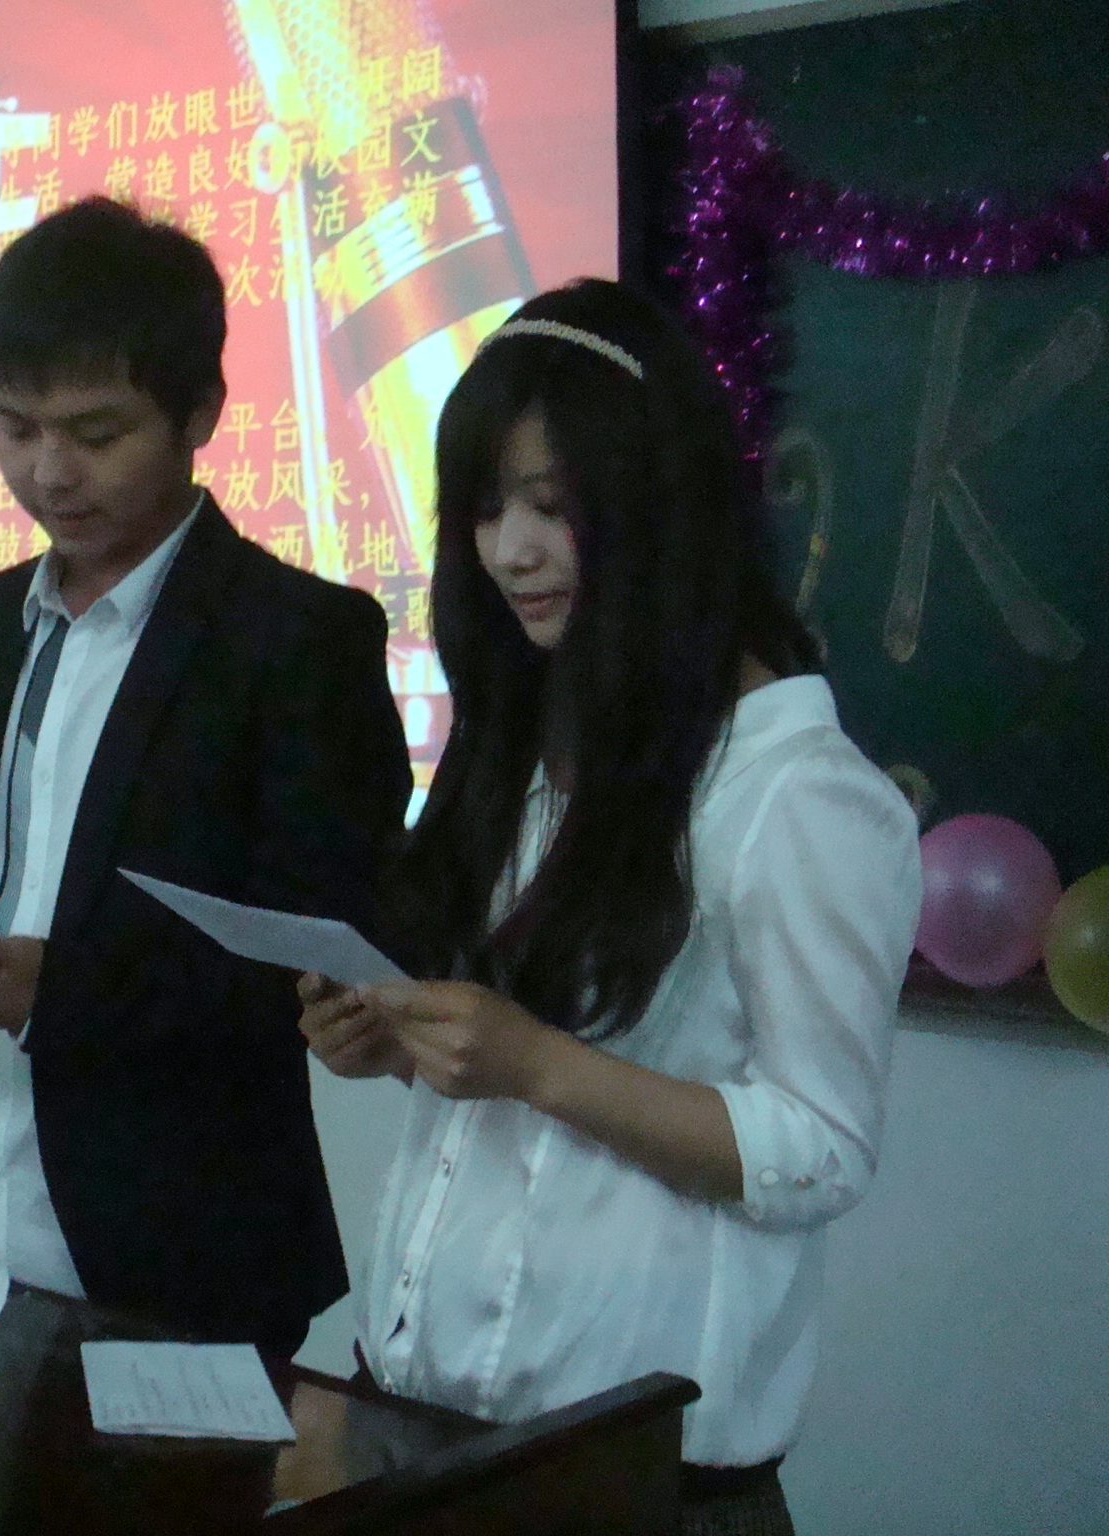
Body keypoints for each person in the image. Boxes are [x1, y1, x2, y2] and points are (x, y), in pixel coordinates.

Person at [299, 280, 921, 1533]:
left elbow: (818, 1148)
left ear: (656, 503)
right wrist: (390, 1044)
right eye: (483, 508)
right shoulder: (522, 743)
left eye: (550, 505)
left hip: (634, 1485)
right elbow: (498, 1046)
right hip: (419, 1430)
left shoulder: (794, 794)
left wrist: (533, 1064)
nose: (507, 551)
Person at [0, 197, 412, 1356]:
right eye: (16, 427)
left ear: (200, 413)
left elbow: (316, 958)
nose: (50, 472)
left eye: (96, 432)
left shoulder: (297, 639)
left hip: (186, 1255)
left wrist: (56, 996)